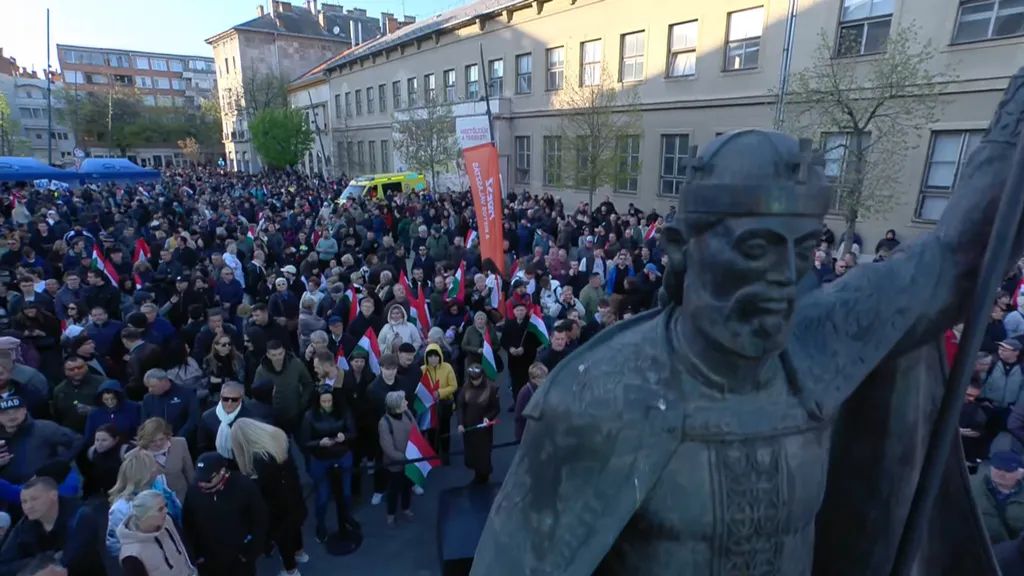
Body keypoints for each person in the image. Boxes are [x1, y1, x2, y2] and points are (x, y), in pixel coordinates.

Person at [230, 418, 308, 576]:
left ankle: (291, 571)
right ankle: (300, 554)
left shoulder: (259, 460)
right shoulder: (277, 440)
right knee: (295, 528)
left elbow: (261, 488)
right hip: (293, 496)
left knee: (283, 539)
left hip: (277, 507)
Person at [182, 452, 268, 576]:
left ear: (222, 471)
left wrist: (249, 553)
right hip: (209, 561)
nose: (202, 484)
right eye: (199, 479)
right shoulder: (193, 491)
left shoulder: (244, 486)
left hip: (239, 559)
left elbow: (260, 519)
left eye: (207, 479)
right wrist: (196, 555)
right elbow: (189, 525)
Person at [0, 476, 105, 576]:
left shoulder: (81, 517)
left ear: (53, 496)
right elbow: (3, 564)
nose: (29, 506)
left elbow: (71, 563)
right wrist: (37, 565)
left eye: (34, 499)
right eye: (24, 502)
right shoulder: (25, 525)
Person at [298, 380, 357, 543]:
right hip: (321, 459)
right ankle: (321, 524)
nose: (327, 404)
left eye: (329, 401)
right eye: (323, 401)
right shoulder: (309, 416)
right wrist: (319, 443)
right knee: (322, 496)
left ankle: (347, 518)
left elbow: (352, 431)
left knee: (346, 494)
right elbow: (305, 441)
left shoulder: (344, 410)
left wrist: (345, 436)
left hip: (342, 455)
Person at [106, 450, 182, 557]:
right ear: (144, 473)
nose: (157, 469)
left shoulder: (161, 486)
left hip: (173, 547)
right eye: (153, 466)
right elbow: (115, 544)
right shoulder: (122, 508)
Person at [0, 397, 82, 487]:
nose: (11, 416)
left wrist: (57, 464)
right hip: (6, 490)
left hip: (43, 487)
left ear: (24, 410)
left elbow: (77, 440)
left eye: (16, 411)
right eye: (5, 413)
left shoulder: (44, 428)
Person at [117, 490, 196, 576]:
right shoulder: (131, 554)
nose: (166, 510)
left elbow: (184, 545)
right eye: (160, 509)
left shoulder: (168, 520)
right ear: (145, 516)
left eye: (165, 505)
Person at [252, 340, 314, 436]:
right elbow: (257, 394)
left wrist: (302, 402)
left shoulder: (296, 364)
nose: (278, 357)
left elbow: (308, 383)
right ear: (268, 355)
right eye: (274, 355)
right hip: (273, 417)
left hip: (295, 414)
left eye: (280, 354)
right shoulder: (261, 371)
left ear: (284, 351)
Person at [128, 418, 194, 505]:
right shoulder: (133, 456)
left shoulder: (180, 443)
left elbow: (190, 474)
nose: (158, 443)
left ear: (167, 436)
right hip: (154, 505)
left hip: (183, 499)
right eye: (153, 441)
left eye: (161, 439)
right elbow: (133, 486)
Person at [197, 381, 267, 458]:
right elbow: (203, 447)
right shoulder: (208, 417)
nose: (229, 403)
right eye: (225, 399)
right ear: (220, 397)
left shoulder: (251, 417)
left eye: (234, 400)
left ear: (241, 399)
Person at [457, 363, 499, 484]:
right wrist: (460, 423)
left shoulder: (491, 388)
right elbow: (460, 406)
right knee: (472, 451)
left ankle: (484, 476)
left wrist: (488, 417)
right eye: (472, 379)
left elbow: (496, 408)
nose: (475, 382)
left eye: (477, 379)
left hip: (483, 428)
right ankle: (477, 473)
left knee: (484, 452)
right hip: (469, 427)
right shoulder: (466, 388)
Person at [377, 390, 415, 526]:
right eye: (404, 401)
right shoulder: (384, 422)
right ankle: (391, 514)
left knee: (407, 487)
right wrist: (405, 458)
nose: (407, 402)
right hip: (395, 465)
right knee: (393, 490)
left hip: (411, 461)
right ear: (396, 405)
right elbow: (388, 448)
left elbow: (416, 433)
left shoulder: (408, 413)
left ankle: (406, 508)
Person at [972, 450, 1024, 544]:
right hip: (977, 545)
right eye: (997, 468)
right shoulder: (971, 485)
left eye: (1008, 470)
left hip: (1013, 550)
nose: (1001, 474)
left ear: (1020, 474)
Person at [140, 369, 200, 446]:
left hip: (184, 441)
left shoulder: (186, 393)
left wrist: (178, 438)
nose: (150, 390)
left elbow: (193, 419)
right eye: (148, 387)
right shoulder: (148, 399)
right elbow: (144, 422)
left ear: (164, 381)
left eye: (153, 386)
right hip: (157, 444)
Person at [421, 343, 457, 460]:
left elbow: (453, 386)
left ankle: (445, 453)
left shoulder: (447, 367)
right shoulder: (422, 370)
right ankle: (433, 452)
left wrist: (439, 393)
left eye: (435, 356)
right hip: (430, 407)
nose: (433, 359)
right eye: (430, 357)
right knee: (431, 430)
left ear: (440, 356)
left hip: (444, 404)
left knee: (444, 430)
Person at [79, 424, 132, 502]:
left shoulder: (126, 452)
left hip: (122, 495)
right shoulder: (92, 452)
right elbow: (90, 478)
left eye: (104, 440)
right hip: (101, 495)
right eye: (97, 440)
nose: (99, 444)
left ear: (115, 440)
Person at [83, 381, 141, 448]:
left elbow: (139, 430)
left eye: (113, 398)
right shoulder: (94, 414)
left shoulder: (133, 408)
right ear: (101, 399)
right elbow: (89, 437)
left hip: (128, 447)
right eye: (106, 399)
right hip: (103, 450)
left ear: (119, 397)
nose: (110, 402)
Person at [514, 363, 548, 443]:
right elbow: (519, 416)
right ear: (533, 378)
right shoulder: (525, 392)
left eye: (546, 376)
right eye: (541, 378)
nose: (545, 380)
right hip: (527, 433)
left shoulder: (544, 388)